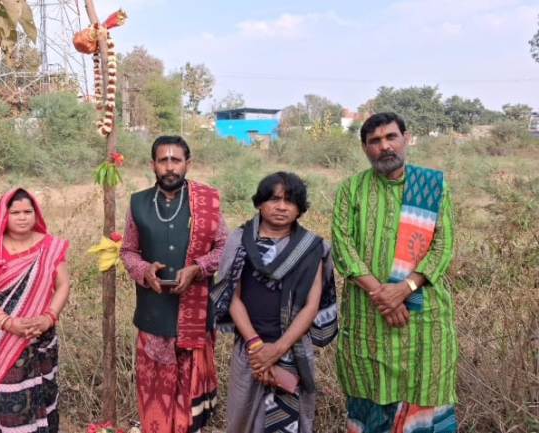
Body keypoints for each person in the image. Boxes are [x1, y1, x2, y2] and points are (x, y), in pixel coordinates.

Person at [332, 112, 458, 432]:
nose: (384, 146)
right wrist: (382, 295)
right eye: (375, 141)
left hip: (423, 321)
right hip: (368, 319)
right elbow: (343, 248)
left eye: (391, 137)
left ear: (406, 138)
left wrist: (404, 289)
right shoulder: (351, 190)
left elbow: (443, 246)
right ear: (365, 148)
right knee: (370, 394)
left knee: (424, 395)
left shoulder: (433, 186)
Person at [212, 172, 338, 433]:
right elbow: (232, 297)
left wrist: (278, 349)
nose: (282, 207)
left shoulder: (311, 247)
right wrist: (257, 346)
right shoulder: (240, 241)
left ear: (299, 208)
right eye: (274, 199)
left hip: (292, 348)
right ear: (260, 203)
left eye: (290, 201)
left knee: (288, 422)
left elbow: (312, 305)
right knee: (243, 419)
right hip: (250, 350)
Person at [121, 135, 227, 433]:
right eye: (163, 160)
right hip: (153, 315)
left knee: (189, 397)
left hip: (195, 318)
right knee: (154, 392)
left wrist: (197, 268)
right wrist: (144, 270)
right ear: (152, 164)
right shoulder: (138, 203)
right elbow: (128, 251)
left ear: (187, 164)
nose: (170, 167)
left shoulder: (207, 202)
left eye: (176, 160)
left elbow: (225, 248)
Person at [0, 188, 70, 433]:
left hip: (41, 336)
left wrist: (48, 318)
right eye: (15, 212)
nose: (22, 217)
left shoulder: (50, 247)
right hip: (3, 339)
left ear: (36, 214)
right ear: (3, 215)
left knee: (45, 396)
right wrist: (7, 322)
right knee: (9, 402)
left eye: (27, 212)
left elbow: (63, 284)